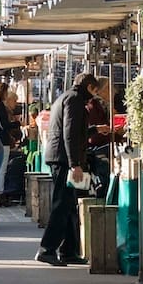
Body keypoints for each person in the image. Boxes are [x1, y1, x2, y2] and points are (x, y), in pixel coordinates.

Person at [38, 73, 99, 267]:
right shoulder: (74, 100)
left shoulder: (66, 97)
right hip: (64, 159)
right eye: (95, 91)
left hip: (61, 157)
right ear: (89, 86)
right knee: (62, 205)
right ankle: (47, 249)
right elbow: (70, 133)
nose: (95, 96)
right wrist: (75, 164)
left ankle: (68, 250)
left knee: (70, 206)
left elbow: (73, 131)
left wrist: (95, 130)